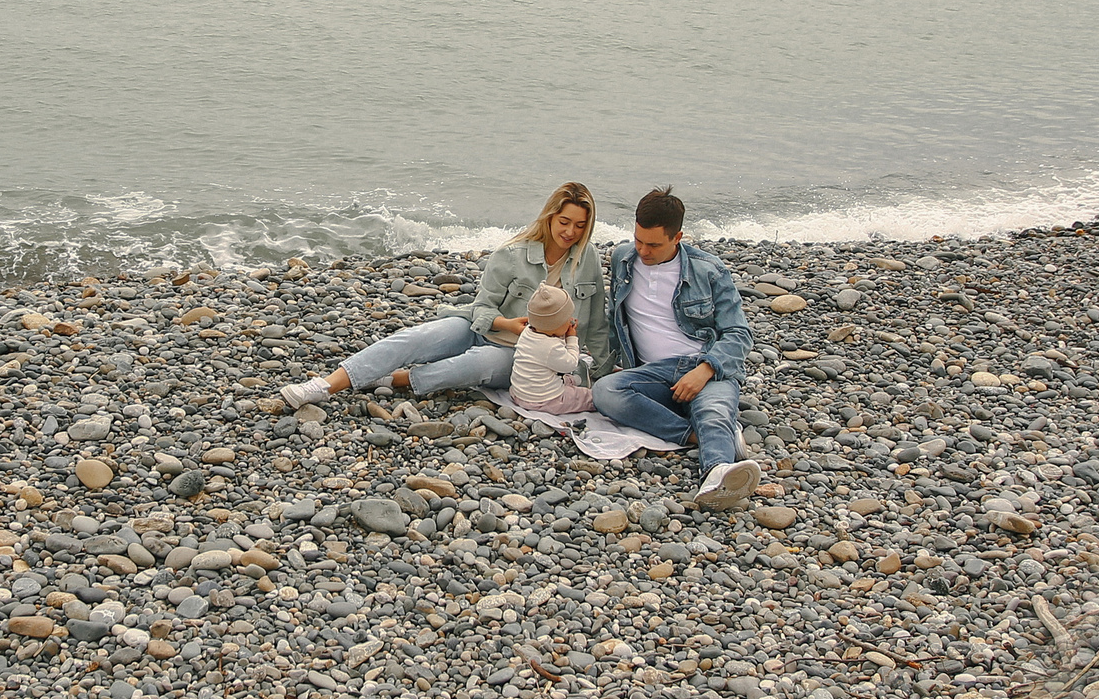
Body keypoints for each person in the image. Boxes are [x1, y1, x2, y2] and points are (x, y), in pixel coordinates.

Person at [280, 182, 613, 409]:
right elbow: (482, 308)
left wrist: (600, 376)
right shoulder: (512, 254)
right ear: (550, 216)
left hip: (529, 357)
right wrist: (509, 324)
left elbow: (595, 324)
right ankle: (323, 386)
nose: (571, 232)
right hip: (483, 327)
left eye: (581, 225)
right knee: (415, 338)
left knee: (472, 366)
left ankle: (393, 378)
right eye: (565, 221)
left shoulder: (588, 261)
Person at [594, 186, 764, 510]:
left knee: (712, 411)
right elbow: (614, 320)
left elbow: (739, 333)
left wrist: (705, 370)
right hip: (653, 373)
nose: (643, 250)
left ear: (678, 237)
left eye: (653, 244)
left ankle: (717, 474)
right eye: (638, 240)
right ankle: (697, 436)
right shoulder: (623, 259)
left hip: (704, 366)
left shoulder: (708, 270)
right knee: (605, 392)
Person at [509, 283, 597, 414]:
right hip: (546, 400)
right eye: (567, 320)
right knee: (589, 397)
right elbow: (571, 364)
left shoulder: (527, 332)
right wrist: (572, 338)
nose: (570, 322)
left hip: (518, 394)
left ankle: (569, 382)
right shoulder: (551, 347)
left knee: (545, 371)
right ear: (555, 325)